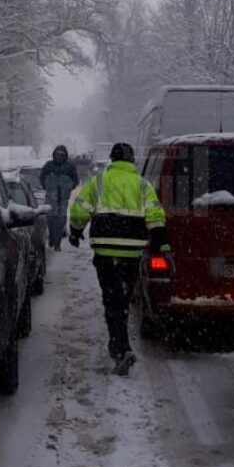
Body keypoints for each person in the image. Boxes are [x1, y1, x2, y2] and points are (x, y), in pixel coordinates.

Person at [68, 141, 171, 374]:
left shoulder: (100, 181)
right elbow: (156, 216)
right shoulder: (143, 185)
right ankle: (120, 345)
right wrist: (161, 244)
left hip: (105, 252)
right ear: (132, 160)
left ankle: (120, 347)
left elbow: (80, 208)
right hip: (131, 253)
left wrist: (75, 231)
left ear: (112, 160)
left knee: (111, 299)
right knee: (123, 300)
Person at [40, 144, 79, 251]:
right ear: (54, 155)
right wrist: (48, 185)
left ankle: (57, 243)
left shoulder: (69, 167)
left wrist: (68, 185)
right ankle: (52, 237)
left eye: (62, 155)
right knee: (50, 218)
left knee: (60, 220)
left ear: (65, 155)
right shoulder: (48, 166)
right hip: (50, 197)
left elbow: (75, 180)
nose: (59, 157)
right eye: (57, 154)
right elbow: (42, 178)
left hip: (63, 198)